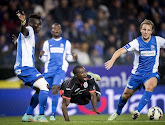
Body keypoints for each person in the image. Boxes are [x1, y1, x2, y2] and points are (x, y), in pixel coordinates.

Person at [105, 19, 165, 120]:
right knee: (125, 95)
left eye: (148, 30)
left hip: (151, 73)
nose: (146, 32)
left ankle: (137, 111)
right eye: (144, 29)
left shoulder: (158, 40)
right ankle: (117, 112)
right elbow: (120, 51)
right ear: (141, 30)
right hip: (136, 75)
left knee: (150, 87)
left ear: (151, 31)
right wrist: (112, 60)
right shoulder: (136, 43)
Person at [14, 11, 49, 122]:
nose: (39, 26)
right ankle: (41, 116)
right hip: (25, 68)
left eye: (40, 24)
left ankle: (28, 115)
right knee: (45, 86)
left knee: (40, 90)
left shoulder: (29, 34)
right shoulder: (29, 30)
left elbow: (23, 41)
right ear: (31, 23)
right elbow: (24, 31)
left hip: (24, 68)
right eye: (37, 24)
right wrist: (23, 22)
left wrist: (16, 42)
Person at [39, 23, 77, 121]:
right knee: (43, 90)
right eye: (54, 29)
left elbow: (68, 56)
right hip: (48, 70)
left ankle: (53, 114)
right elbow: (45, 58)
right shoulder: (47, 43)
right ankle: (41, 114)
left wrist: (73, 57)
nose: (56, 30)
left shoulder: (66, 42)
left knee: (55, 88)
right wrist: (41, 56)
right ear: (51, 31)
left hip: (60, 70)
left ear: (61, 31)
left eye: (58, 29)